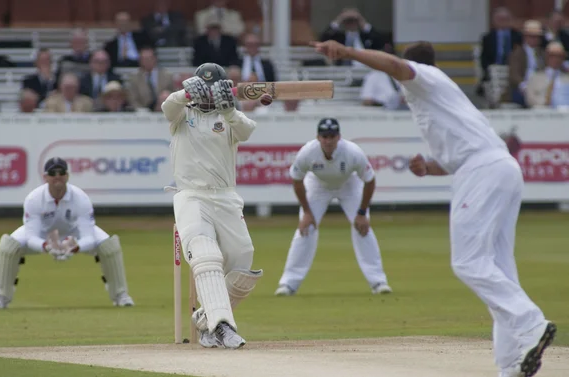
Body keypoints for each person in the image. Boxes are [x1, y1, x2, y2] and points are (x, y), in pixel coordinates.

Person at [310, 39, 556, 377]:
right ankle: (512, 362)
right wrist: (430, 166)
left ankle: (531, 323)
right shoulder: (441, 95)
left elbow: (396, 67)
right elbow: (457, 155)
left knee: (468, 262)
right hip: (500, 168)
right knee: (498, 269)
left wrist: (349, 52)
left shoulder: (423, 77)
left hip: (483, 171)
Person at [161, 63, 263, 349]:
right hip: (191, 196)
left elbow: (247, 129)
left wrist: (229, 108)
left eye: (210, 90)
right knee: (205, 255)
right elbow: (167, 107)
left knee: (243, 262)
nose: (205, 96)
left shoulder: (229, 117)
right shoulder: (182, 115)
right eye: (200, 89)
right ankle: (222, 326)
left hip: (226, 197)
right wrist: (183, 94)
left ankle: (205, 319)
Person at [0, 158, 134, 310]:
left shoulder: (81, 198)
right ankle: (0, 298)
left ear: (67, 176)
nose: (57, 176)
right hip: (42, 234)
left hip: (74, 234)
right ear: (45, 177)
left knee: (109, 246)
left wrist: (75, 247)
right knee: (8, 246)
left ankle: (121, 295)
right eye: (52, 173)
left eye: (61, 172)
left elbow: (89, 237)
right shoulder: (34, 199)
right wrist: (46, 246)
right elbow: (31, 237)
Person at [275, 118, 392, 296]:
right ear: (318, 137)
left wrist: (361, 213)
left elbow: (369, 181)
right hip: (318, 185)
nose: (328, 141)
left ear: (339, 137)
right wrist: (307, 212)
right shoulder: (308, 152)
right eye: (324, 136)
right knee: (305, 229)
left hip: (349, 184)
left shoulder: (352, 152)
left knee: (362, 228)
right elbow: (297, 180)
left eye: (332, 136)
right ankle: (288, 284)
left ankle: (378, 282)